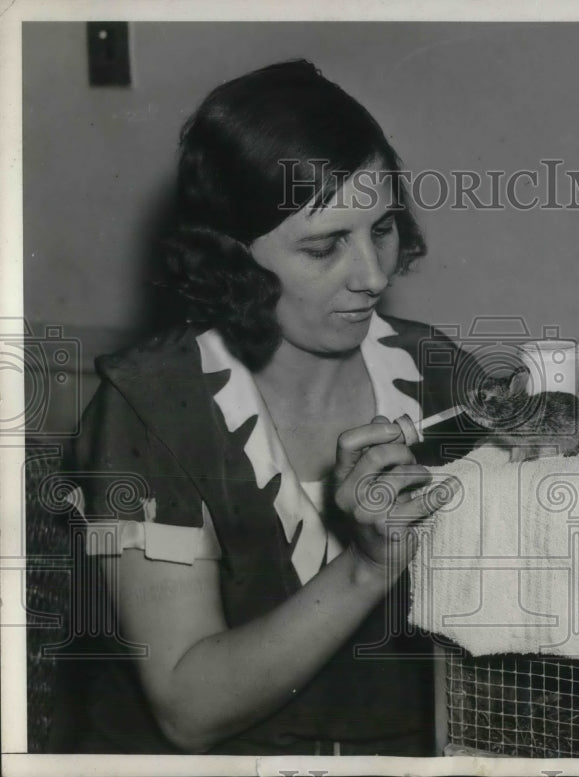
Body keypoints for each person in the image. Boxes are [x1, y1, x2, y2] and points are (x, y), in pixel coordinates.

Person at [55, 59, 484, 756]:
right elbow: (187, 709)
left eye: (382, 228)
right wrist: (368, 564)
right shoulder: (148, 408)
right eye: (325, 246)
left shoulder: (435, 374)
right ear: (231, 259)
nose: (373, 275)